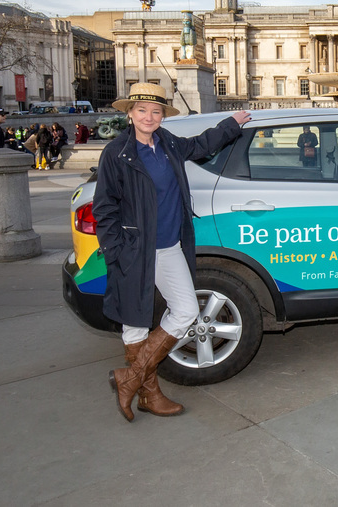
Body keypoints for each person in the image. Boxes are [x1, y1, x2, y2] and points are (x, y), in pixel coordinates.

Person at [93, 82, 250, 422]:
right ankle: (149, 395)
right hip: (134, 250)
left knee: (185, 310)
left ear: (163, 116)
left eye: (156, 111)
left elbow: (200, 145)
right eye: (142, 110)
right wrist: (114, 252)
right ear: (130, 114)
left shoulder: (167, 144)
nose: (149, 116)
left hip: (169, 247)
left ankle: (130, 378)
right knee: (134, 324)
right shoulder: (117, 153)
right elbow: (104, 208)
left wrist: (232, 124)